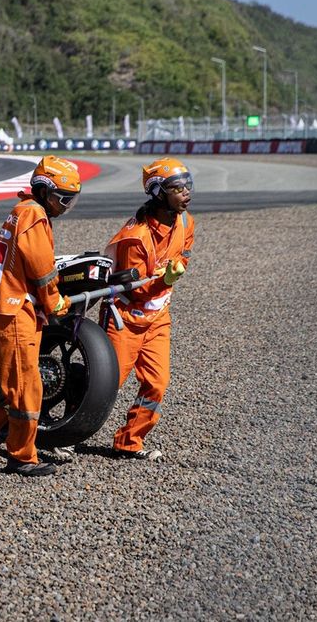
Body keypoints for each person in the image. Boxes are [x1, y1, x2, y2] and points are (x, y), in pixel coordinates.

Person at [0, 155, 80, 477]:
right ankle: (22, 457)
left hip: (8, 307)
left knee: (18, 383)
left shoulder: (24, 211)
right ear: (43, 190)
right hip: (13, 310)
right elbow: (41, 270)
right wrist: (54, 303)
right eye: (63, 198)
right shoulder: (34, 215)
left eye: (71, 200)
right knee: (26, 388)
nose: (66, 206)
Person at [104, 157, 195, 460]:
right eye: (177, 187)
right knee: (106, 384)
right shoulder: (135, 237)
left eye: (187, 184)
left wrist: (177, 267)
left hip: (158, 319)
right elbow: (136, 289)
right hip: (125, 319)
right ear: (158, 193)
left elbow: (184, 253)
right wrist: (167, 277)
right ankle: (64, 434)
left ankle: (129, 442)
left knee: (156, 384)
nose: (186, 192)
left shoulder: (185, 222)